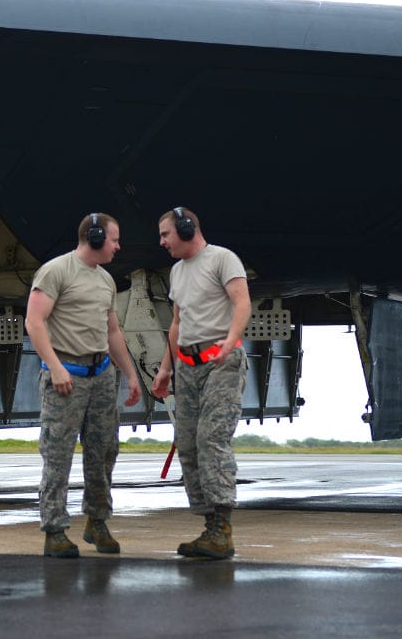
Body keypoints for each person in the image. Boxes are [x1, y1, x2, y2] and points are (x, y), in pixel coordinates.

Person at [25, 212, 143, 558]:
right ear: (94, 238)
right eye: (113, 240)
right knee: (57, 453)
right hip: (66, 376)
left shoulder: (106, 280)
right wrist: (55, 367)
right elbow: (34, 322)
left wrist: (130, 374)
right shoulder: (55, 272)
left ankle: (97, 521)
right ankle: (54, 529)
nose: (118, 247)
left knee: (104, 450)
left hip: (101, 375)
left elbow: (112, 331)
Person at [151, 206, 251, 559]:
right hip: (187, 367)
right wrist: (165, 368)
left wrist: (230, 341)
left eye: (166, 234)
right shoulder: (177, 271)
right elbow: (177, 324)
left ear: (186, 229)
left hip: (221, 363)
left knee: (212, 437)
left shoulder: (223, 259)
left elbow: (242, 303)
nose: (162, 242)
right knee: (189, 444)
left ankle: (223, 529)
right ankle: (210, 527)